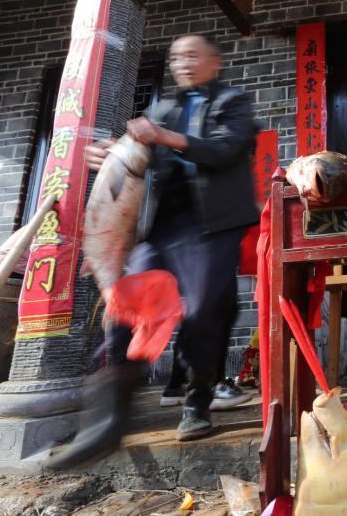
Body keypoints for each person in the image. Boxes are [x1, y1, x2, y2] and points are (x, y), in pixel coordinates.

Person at [49, 35, 258, 467]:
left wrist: (163, 136)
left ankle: (196, 403)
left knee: (203, 310)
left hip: (212, 226)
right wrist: (114, 153)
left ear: (215, 62)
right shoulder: (162, 108)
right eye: (176, 57)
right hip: (161, 226)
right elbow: (145, 155)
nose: (183, 63)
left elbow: (225, 150)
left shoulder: (232, 102)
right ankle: (106, 422)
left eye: (192, 55)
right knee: (125, 305)